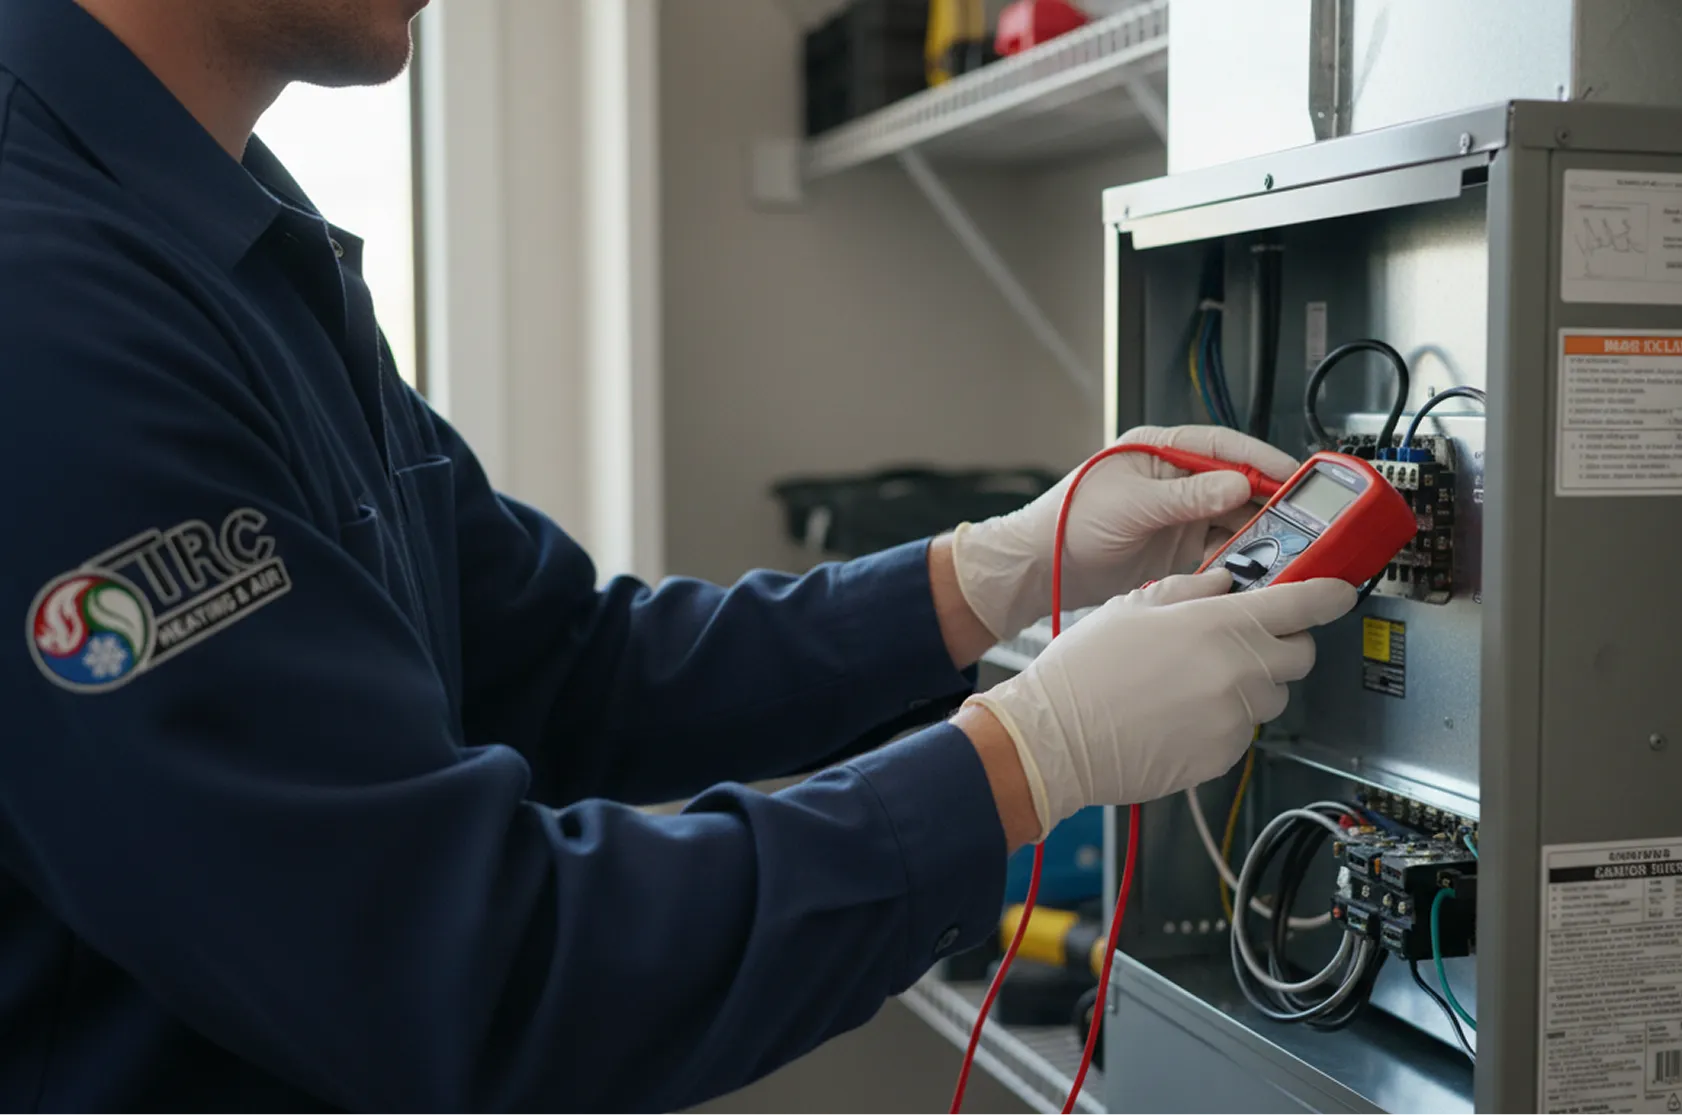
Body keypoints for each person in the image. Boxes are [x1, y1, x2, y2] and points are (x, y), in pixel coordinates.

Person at [0, 0, 1357, 1110]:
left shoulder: (241, 243)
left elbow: (576, 664)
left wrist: (991, 570)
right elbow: (471, 978)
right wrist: (1026, 758)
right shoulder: (53, 309)